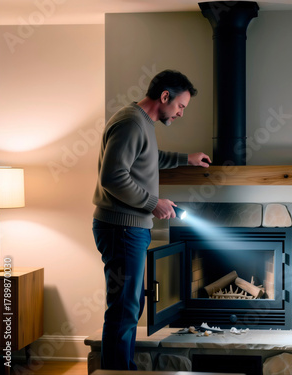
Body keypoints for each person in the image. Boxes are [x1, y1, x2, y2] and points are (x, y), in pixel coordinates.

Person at [92, 69, 211, 370]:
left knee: (131, 306)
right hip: (122, 228)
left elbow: (149, 158)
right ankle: (116, 372)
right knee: (123, 309)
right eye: (181, 106)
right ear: (165, 97)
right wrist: (152, 203)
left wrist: (187, 159)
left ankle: (122, 369)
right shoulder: (131, 122)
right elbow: (112, 176)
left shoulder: (142, 123)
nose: (182, 113)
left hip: (130, 228)